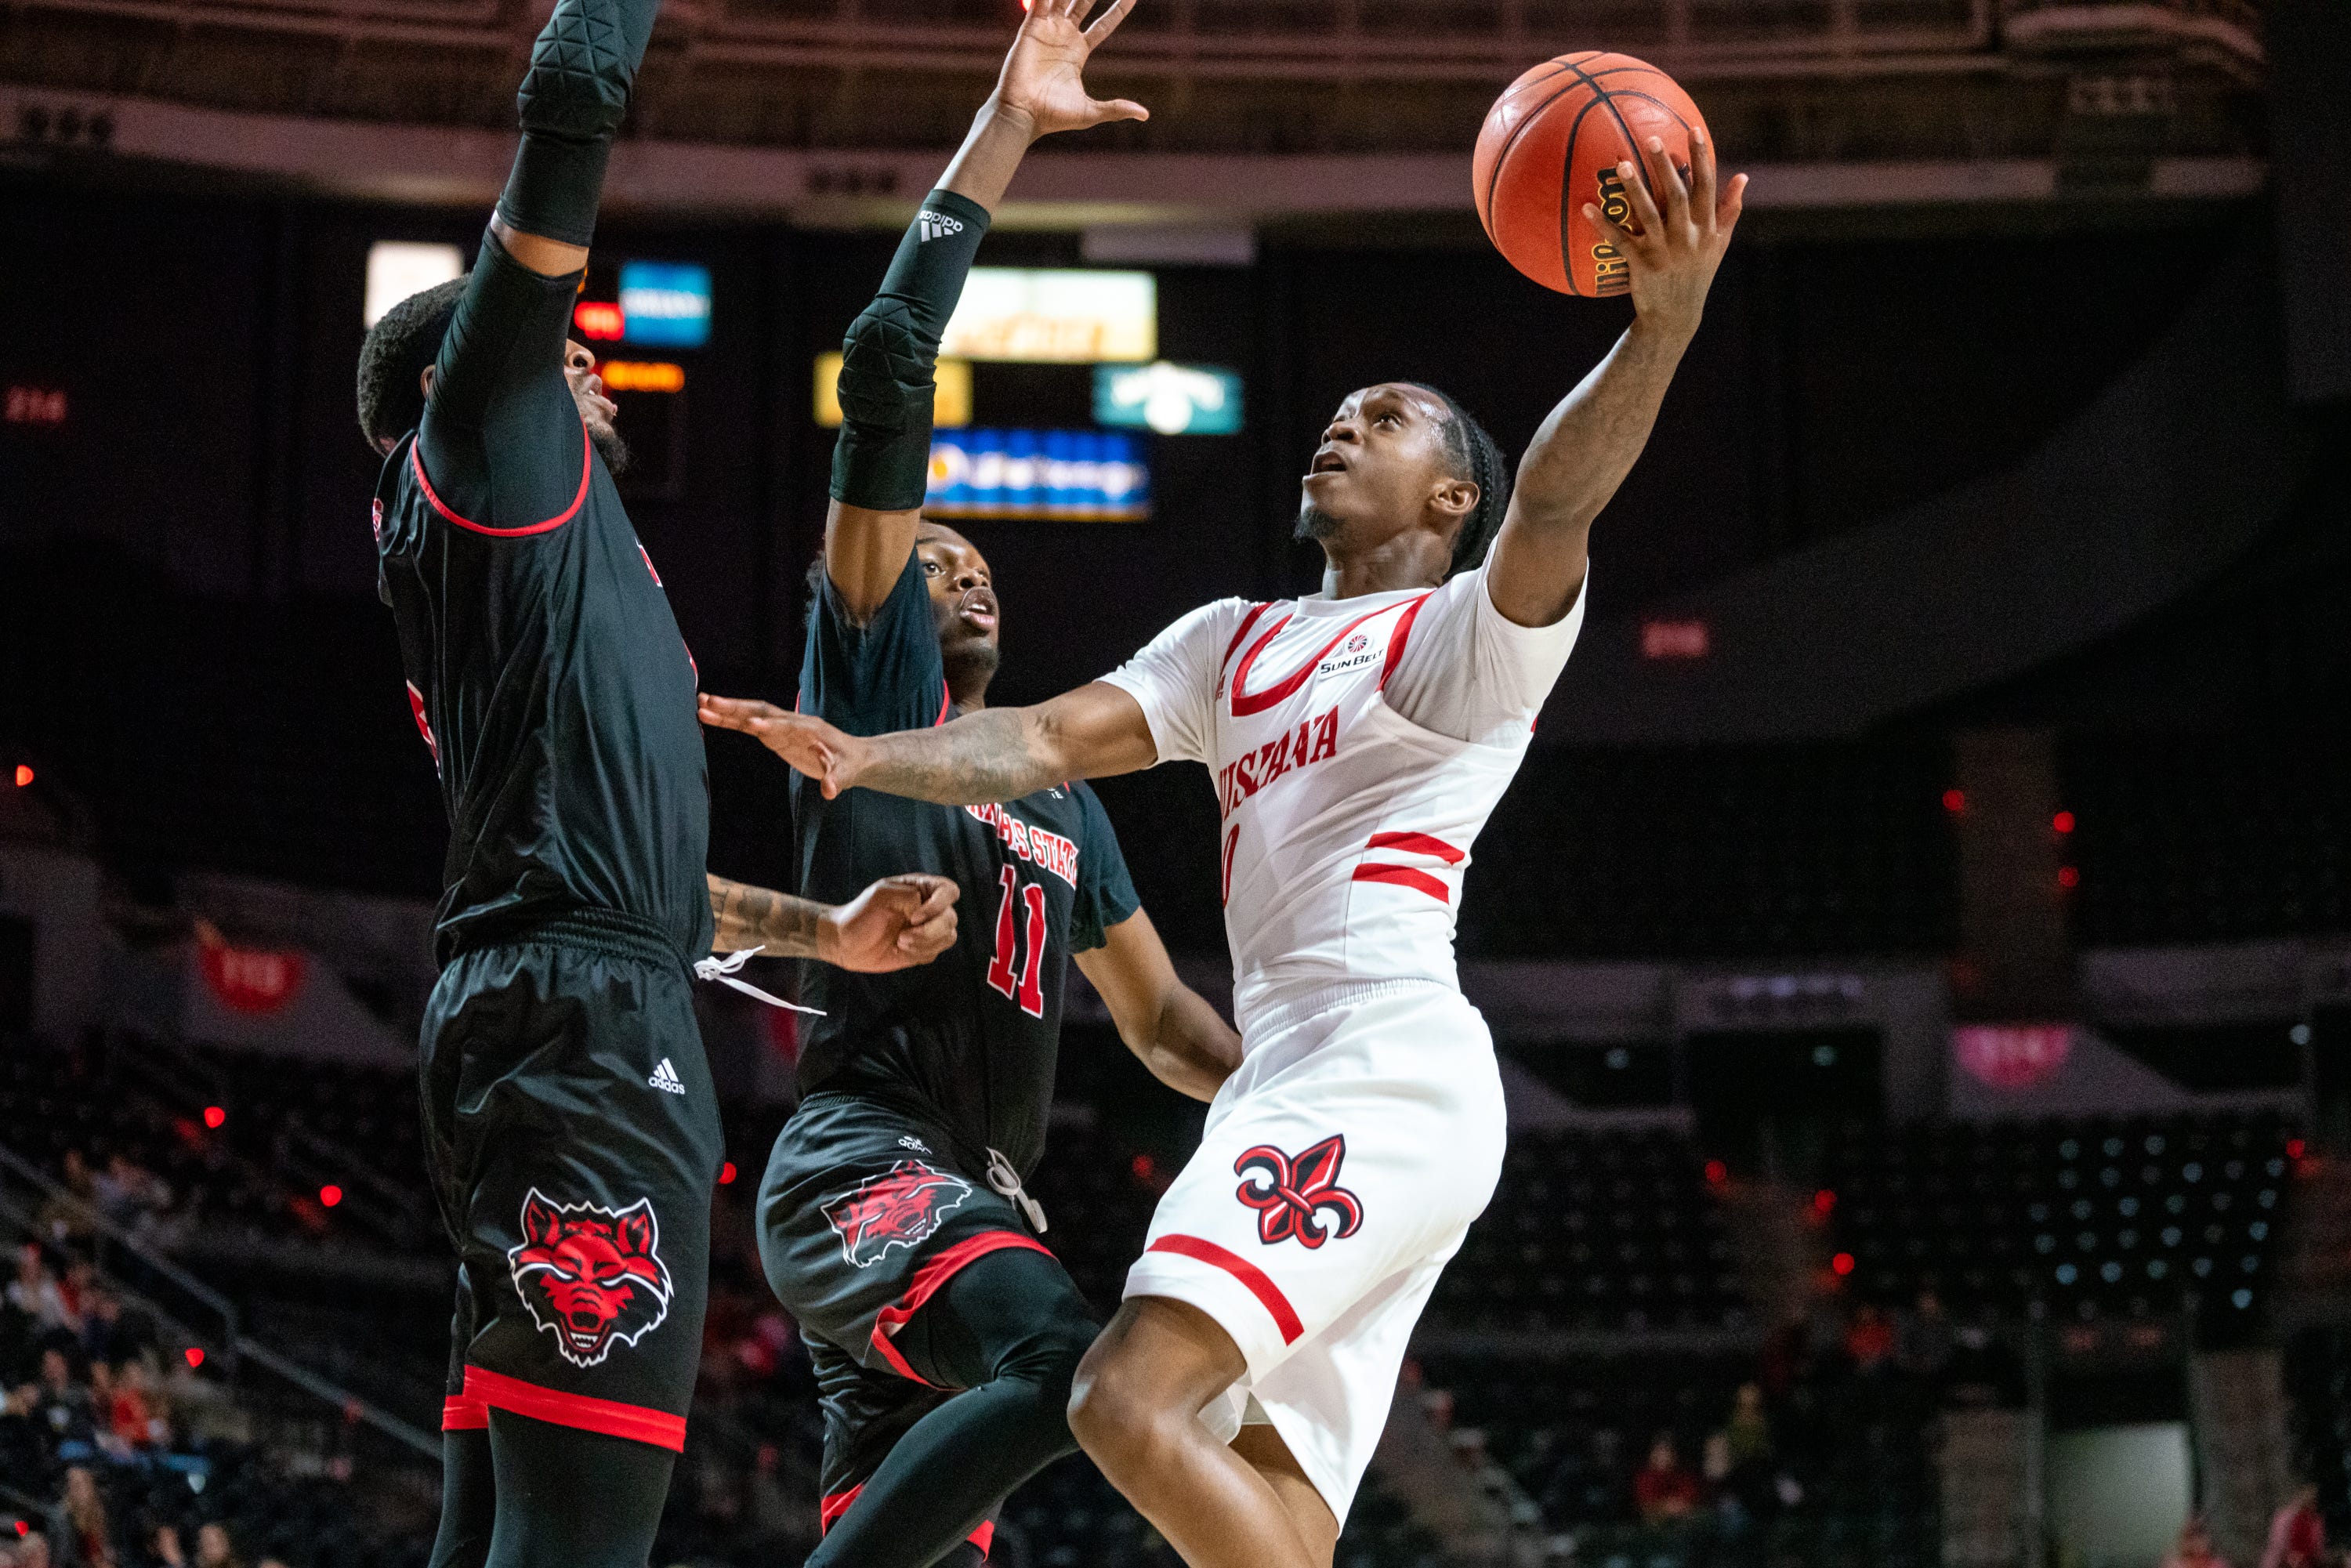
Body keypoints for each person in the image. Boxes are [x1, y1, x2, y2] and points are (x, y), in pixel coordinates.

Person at [704, 122, 1746, 1568]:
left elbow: (1557, 499)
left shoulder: (1461, 645)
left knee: (1121, 1403)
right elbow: (1052, 739)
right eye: (1338, 411)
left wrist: (1662, 327)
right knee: (1262, 1505)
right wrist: (866, 752)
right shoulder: (1230, 641)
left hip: (1382, 1062)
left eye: (1384, 418)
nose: (1341, 424)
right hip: (1275, 1079)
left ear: (1453, 501)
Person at [351, 0, 965, 1559]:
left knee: (496, 1523)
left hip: (560, 987)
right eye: (567, 352)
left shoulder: (550, 561)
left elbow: (639, 881)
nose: (597, 371)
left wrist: (822, 937)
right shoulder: (485, 459)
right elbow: (563, 134)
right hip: (582, 1029)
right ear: (477, 381)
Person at [697, 9, 1240, 1567]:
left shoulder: (1062, 803)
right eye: (935, 559)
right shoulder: (869, 694)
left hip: (974, 1197)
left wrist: (1300, 1088)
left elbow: (1158, 1024)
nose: (966, 573)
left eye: (982, 561)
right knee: (1083, 1370)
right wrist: (1006, 129)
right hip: (863, 1167)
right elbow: (885, 370)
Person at [1635, 1434, 1702, 1526]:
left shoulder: (1682, 1475)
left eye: (1666, 1451)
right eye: (1659, 1451)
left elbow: (1690, 1500)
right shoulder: (1645, 1477)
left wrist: (1676, 1506)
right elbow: (1646, 1506)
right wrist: (1665, 1507)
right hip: (1656, 1523)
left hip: (1682, 1521)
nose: (1663, 1456)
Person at [2262, 1483, 2328, 1568]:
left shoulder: (2316, 1521)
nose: (2313, 1504)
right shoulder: (2287, 1517)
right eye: (2310, 1500)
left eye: (2314, 1500)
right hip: (2287, 1561)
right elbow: (2278, 1545)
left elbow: (2317, 1548)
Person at [2166, 1514, 2235, 1568]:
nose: (2196, 1542)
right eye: (2191, 1537)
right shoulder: (2175, 1564)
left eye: (2200, 1535)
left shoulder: (2219, 1565)